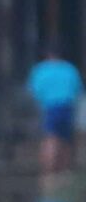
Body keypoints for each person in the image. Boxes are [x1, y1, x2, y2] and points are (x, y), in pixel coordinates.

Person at [29, 42, 81, 174]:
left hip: (49, 107)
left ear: (47, 55)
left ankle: (48, 167)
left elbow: (34, 91)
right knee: (66, 139)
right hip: (66, 107)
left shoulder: (40, 70)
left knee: (50, 137)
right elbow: (77, 91)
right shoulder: (70, 69)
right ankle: (64, 169)